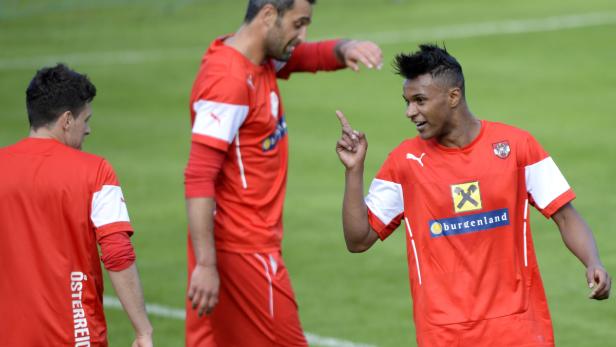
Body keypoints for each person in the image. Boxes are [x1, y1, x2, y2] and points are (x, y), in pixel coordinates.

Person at [335, 44, 611, 347]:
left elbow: (565, 215)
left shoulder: (517, 146)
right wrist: (354, 171)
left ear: (453, 96)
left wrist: (592, 261)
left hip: (519, 328)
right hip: (443, 333)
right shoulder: (404, 163)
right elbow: (358, 240)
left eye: (420, 101)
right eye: (407, 102)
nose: (410, 112)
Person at [183, 0, 382, 345]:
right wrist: (206, 264)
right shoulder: (228, 81)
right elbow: (199, 175)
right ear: (268, 15)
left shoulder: (256, 61)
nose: (302, 35)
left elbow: (305, 57)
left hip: (235, 246)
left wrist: (344, 49)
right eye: (298, 24)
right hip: (244, 249)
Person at [0, 64, 153, 347]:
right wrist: (143, 331)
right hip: (76, 336)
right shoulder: (96, 172)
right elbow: (117, 253)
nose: (89, 130)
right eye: (86, 119)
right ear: (67, 120)